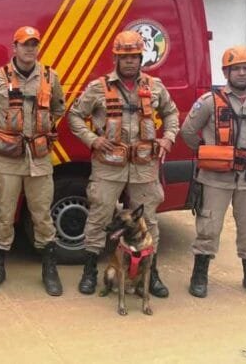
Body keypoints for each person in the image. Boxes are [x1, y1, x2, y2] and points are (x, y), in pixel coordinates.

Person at [68, 30, 179, 298]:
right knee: (99, 217)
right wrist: (93, 140)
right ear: (115, 58)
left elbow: (171, 113)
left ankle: (152, 273)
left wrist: (168, 138)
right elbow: (75, 115)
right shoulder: (98, 88)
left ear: (141, 58)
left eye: (134, 56)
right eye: (124, 56)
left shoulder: (155, 87)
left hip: (144, 166)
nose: (129, 61)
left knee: (148, 220)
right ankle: (89, 270)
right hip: (108, 166)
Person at [0, 26, 66, 296]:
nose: (30, 49)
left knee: (42, 216)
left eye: (34, 44)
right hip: (8, 160)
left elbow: (59, 107)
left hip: (39, 158)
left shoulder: (50, 77)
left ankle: (49, 269)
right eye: (25, 44)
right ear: (14, 47)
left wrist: (45, 129)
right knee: (3, 215)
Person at [180, 45, 246, 299]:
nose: (242, 73)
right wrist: (207, 152)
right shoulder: (208, 102)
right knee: (209, 226)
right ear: (226, 72)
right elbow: (188, 131)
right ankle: (199, 275)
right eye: (236, 69)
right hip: (215, 178)